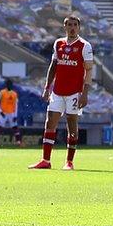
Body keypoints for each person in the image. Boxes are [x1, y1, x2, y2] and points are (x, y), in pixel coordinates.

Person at [31, 14, 93, 170]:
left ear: (79, 27)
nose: (72, 28)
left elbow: (89, 70)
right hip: (57, 91)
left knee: (72, 124)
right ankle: (46, 160)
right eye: (69, 25)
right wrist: (47, 88)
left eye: (75, 25)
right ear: (64, 27)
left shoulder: (85, 46)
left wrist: (85, 93)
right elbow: (53, 66)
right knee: (49, 122)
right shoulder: (58, 43)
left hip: (75, 92)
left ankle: (69, 162)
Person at [0, 80, 21, 147]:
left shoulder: (14, 94)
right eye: (8, 84)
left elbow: (16, 105)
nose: (9, 86)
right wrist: (1, 111)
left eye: (10, 84)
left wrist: (15, 115)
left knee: (15, 127)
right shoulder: (2, 92)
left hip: (11, 113)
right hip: (4, 113)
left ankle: (19, 142)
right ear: (6, 85)